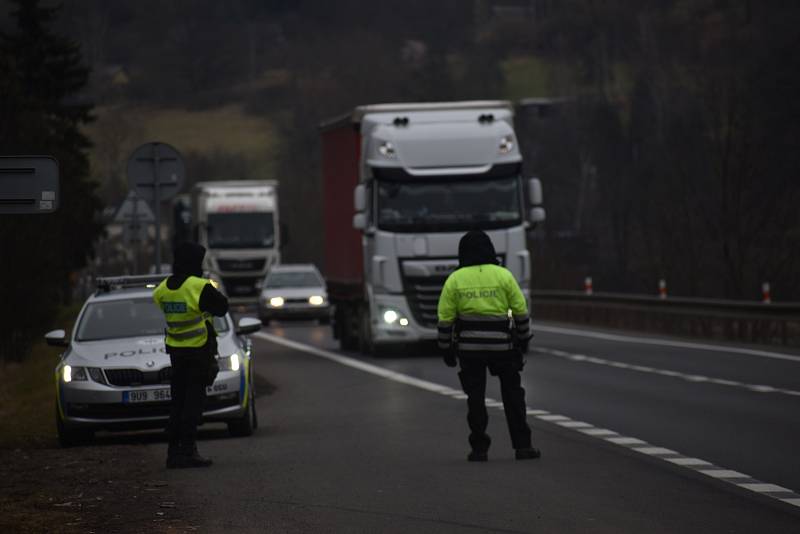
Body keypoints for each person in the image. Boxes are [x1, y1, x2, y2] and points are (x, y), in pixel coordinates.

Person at [437, 230, 541, 462]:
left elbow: (445, 319)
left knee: (475, 399)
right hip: (503, 348)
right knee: (513, 395)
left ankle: (479, 448)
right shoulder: (503, 276)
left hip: (470, 350)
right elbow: (521, 311)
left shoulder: (455, 279)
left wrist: (446, 349)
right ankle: (523, 447)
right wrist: (523, 339)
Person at [153, 242, 228, 468]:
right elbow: (222, 307)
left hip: (176, 353)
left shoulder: (163, 289)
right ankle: (187, 450)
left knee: (178, 401)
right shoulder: (198, 286)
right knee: (193, 403)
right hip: (198, 351)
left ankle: (173, 451)